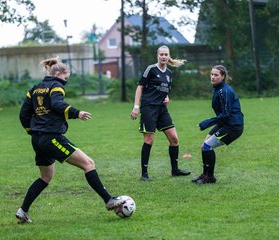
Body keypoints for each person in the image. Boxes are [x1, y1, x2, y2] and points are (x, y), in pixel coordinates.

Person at [16, 57, 125, 223]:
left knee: (45, 177)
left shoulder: (35, 89)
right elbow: (57, 104)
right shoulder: (56, 86)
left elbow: (23, 114)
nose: (66, 82)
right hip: (51, 137)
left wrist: (33, 132)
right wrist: (76, 112)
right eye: (66, 78)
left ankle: (23, 211)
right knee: (88, 164)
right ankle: (109, 200)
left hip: (37, 140)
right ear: (58, 74)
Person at [130, 45, 191, 181]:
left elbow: (166, 90)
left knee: (174, 139)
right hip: (148, 108)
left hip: (162, 110)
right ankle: (144, 173)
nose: (163, 57)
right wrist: (136, 106)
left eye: (166, 54)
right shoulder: (151, 69)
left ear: (168, 56)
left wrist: (167, 97)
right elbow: (140, 87)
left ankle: (175, 170)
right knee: (149, 140)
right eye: (161, 54)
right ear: (157, 56)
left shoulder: (169, 73)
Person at [192, 65, 244, 184]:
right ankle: (205, 174)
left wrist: (206, 123)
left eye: (216, 75)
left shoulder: (225, 91)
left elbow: (225, 114)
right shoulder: (218, 89)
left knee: (207, 146)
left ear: (223, 76)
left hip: (233, 127)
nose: (213, 77)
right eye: (212, 74)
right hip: (224, 123)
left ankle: (210, 177)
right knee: (204, 146)